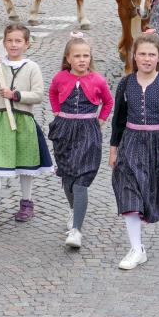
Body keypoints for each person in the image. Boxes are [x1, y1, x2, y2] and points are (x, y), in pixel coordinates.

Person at [109, 32, 159, 270]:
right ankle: (136, 249)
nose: (146, 59)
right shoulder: (125, 84)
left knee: (155, 196)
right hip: (131, 143)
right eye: (142, 54)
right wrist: (114, 148)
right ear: (134, 56)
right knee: (129, 193)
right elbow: (118, 119)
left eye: (151, 54)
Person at [0, 24, 53, 230]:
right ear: (4, 43)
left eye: (18, 41)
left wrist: (16, 95)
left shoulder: (32, 67)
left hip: (23, 119)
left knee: (25, 162)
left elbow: (38, 94)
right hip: (0, 119)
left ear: (26, 44)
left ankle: (27, 202)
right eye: (10, 41)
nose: (13, 45)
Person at [48, 34, 114, 249]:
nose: (82, 59)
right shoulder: (60, 78)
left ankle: (76, 230)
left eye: (86, 55)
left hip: (88, 132)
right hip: (65, 131)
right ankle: (74, 210)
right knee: (67, 178)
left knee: (81, 180)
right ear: (68, 58)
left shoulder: (97, 79)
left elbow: (108, 101)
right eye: (77, 56)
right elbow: (52, 92)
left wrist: (101, 120)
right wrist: (57, 112)